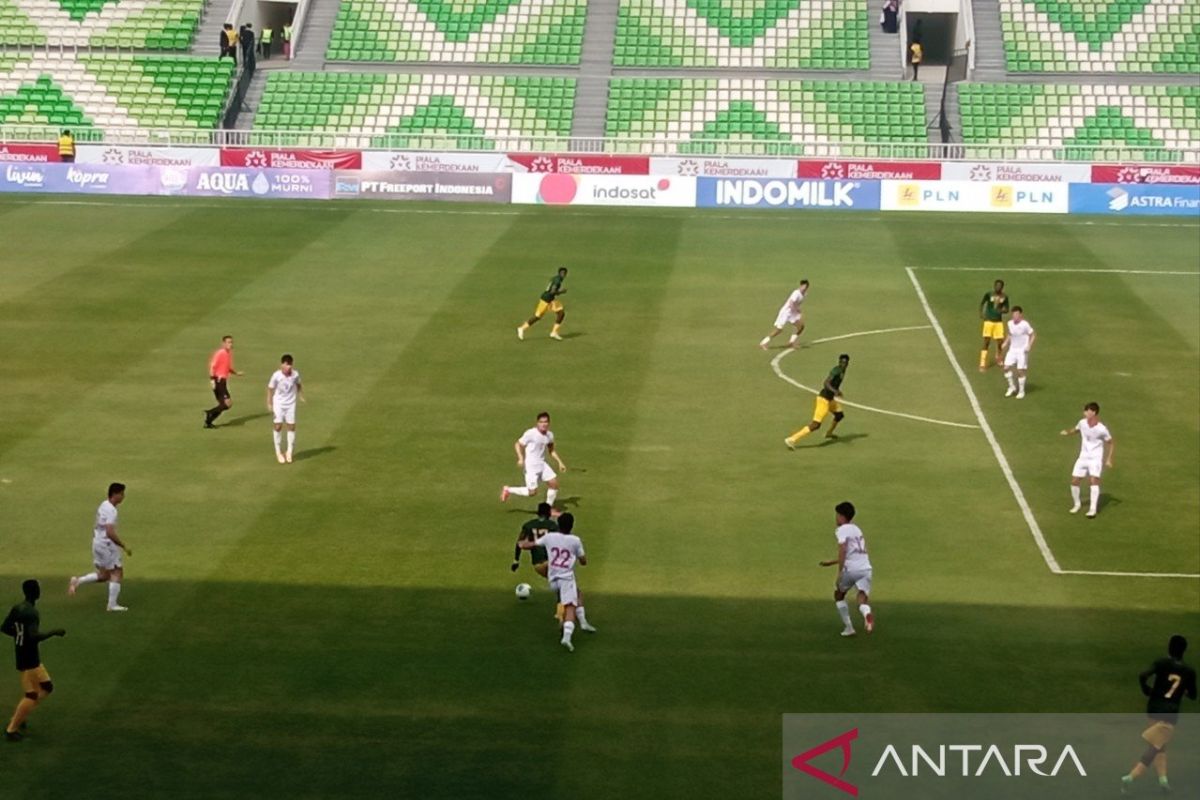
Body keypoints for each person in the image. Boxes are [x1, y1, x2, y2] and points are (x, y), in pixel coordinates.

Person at [1121, 635, 1196, 795]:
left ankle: (1163, 781)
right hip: (1170, 712)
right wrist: (1183, 692)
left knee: (1159, 745)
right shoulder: (1189, 671)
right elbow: (1193, 694)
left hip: (1154, 708)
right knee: (1156, 745)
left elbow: (1143, 675)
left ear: (1169, 648)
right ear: (1184, 651)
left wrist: (1146, 689)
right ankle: (1130, 777)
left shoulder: (1161, 663)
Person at [518, 513, 595, 652]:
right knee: (570, 607)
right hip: (566, 578)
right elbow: (583, 561)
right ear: (572, 525)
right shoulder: (575, 540)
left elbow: (532, 544)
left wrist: (522, 544)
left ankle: (583, 623)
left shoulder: (550, 537)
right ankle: (566, 637)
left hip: (552, 578)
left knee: (578, 593)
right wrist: (579, 558)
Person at [2, 580, 65, 742]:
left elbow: (5, 628)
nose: (39, 591)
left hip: (26, 655)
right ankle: (11, 729)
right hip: (28, 658)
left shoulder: (18, 608)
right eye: (38, 589)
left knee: (47, 687)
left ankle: (20, 716)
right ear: (35, 592)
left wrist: (19, 636)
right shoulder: (31, 613)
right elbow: (34, 636)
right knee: (31, 695)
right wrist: (54, 632)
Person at [68, 483, 132, 612]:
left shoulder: (104, 504)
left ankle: (78, 581)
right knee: (117, 572)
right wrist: (123, 545)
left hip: (98, 542)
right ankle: (112, 605)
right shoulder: (112, 510)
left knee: (104, 575)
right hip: (106, 544)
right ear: (115, 494)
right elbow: (109, 531)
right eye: (122, 494)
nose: (123, 497)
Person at [819, 501, 874, 637]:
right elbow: (854, 553)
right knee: (862, 597)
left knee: (839, 595)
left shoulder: (841, 530)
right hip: (865, 568)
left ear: (841, 516)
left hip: (850, 570)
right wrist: (831, 562)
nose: (836, 518)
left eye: (837, 515)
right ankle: (867, 613)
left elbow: (843, 549)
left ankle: (849, 628)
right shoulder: (857, 529)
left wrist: (840, 572)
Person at [501, 412, 567, 508]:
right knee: (532, 492)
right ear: (537, 423)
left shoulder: (550, 435)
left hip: (542, 464)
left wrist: (560, 463)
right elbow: (518, 444)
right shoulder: (531, 433)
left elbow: (551, 450)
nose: (543, 424)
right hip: (531, 467)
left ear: (549, 423)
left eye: (546, 422)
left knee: (554, 484)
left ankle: (547, 509)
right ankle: (508, 489)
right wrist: (520, 458)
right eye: (541, 422)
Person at [1060, 402, 1114, 518]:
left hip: (1095, 458)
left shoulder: (1102, 429)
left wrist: (1109, 459)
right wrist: (1067, 432)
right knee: (1075, 481)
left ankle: (1093, 509)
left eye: (1087, 411)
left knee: (1093, 480)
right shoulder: (1082, 423)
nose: (1085, 413)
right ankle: (1077, 504)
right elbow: (1076, 430)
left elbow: (1111, 443)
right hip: (1083, 457)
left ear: (1093, 412)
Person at [785, 354, 850, 448]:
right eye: (842, 362)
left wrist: (836, 391)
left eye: (845, 362)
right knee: (816, 425)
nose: (844, 364)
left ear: (848, 363)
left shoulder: (843, 371)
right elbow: (826, 383)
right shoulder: (836, 370)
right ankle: (792, 439)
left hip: (830, 399)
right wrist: (835, 391)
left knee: (839, 415)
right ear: (839, 362)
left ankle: (829, 433)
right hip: (823, 400)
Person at [267, 354, 304, 464]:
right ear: (282, 364)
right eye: (287, 365)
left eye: (290, 365)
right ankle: (278, 452)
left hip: (290, 404)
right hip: (279, 404)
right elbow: (270, 388)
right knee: (278, 426)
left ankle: (289, 452)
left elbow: (298, 384)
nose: (289, 367)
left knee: (291, 426)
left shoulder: (295, 374)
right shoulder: (276, 375)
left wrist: (301, 395)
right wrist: (269, 403)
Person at [517, 267, 568, 341]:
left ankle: (554, 332)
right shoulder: (557, 281)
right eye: (562, 273)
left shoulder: (557, 278)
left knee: (561, 313)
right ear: (559, 273)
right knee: (537, 317)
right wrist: (561, 292)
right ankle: (521, 328)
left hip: (551, 300)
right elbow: (552, 292)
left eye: (565, 273)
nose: (564, 275)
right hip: (546, 300)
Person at [204, 334, 243, 428]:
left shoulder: (228, 354)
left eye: (231, 342)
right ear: (223, 343)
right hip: (219, 381)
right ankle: (209, 413)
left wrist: (236, 373)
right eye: (228, 342)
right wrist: (212, 380)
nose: (231, 344)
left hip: (222, 381)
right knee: (227, 403)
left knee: (225, 404)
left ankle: (208, 421)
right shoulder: (220, 353)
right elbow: (212, 366)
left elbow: (227, 368)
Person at [759, 280, 809, 350]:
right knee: (779, 329)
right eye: (802, 286)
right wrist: (797, 309)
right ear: (800, 286)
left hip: (792, 313)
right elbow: (791, 303)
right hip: (786, 312)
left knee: (800, 326)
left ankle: (791, 342)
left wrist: (797, 312)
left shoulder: (804, 294)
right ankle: (763, 343)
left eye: (805, 287)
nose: (803, 288)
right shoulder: (796, 293)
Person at [512, 502, 556, 579]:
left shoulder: (529, 525)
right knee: (563, 582)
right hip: (551, 561)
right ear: (548, 512)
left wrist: (516, 560)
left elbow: (519, 543)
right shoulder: (552, 525)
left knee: (557, 582)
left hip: (537, 563)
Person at [1001, 306, 1036, 399]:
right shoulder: (1010, 323)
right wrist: (1005, 342)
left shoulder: (1025, 325)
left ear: (1020, 315)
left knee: (1020, 371)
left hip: (1022, 351)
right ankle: (1012, 387)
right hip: (1012, 349)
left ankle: (1021, 391)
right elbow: (1010, 334)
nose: (1014, 316)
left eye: (1016, 314)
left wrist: (1029, 345)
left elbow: (1032, 335)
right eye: (1013, 314)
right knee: (1006, 368)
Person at [978, 279, 1009, 371]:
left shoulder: (1004, 297)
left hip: (998, 322)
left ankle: (998, 356)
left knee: (1000, 342)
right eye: (996, 285)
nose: (997, 287)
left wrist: (1002, 310)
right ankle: (982, 363)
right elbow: (982, 303)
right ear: (994, 286)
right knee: (986, 342)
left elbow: (1007, 309)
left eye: (999, 286)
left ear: (1002, 287)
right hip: (988, 321)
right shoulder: (989, 294)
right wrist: (981, 313)